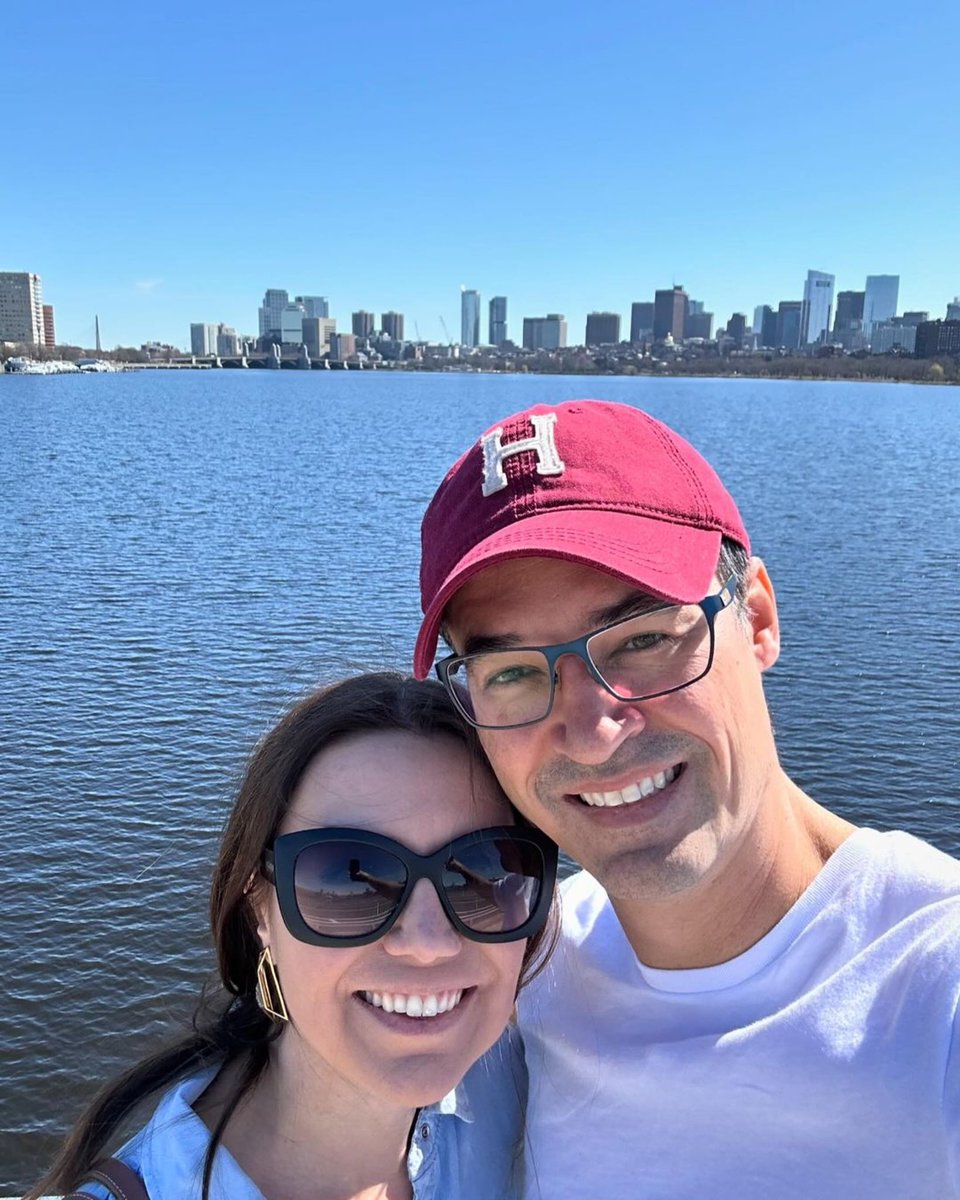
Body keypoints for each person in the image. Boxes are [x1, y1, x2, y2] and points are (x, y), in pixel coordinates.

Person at [413, 399, 960, 1198]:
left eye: (641, 639)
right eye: (514, 673)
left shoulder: (934, 985)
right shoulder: (523, 970)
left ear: (760, 617)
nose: (593, 730)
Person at [30, 673, 557, 1200]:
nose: (428, 943)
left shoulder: (526, 1076)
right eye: (347, 878)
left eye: (481, 872)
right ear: (259, 906)